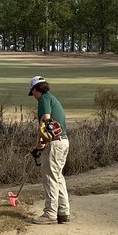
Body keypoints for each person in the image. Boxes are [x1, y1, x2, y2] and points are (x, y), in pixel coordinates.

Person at [27, 76, 70, 224]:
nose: (33, 96)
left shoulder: (44, 99)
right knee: (58, 177)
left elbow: (46, 121)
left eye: (32, 92)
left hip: (55, 144)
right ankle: (63, 212)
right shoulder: (52, 98)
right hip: (63, 142)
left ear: (35, 90)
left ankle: (50, 214)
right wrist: (41, 142)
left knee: (50, 178)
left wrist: (40, 142)